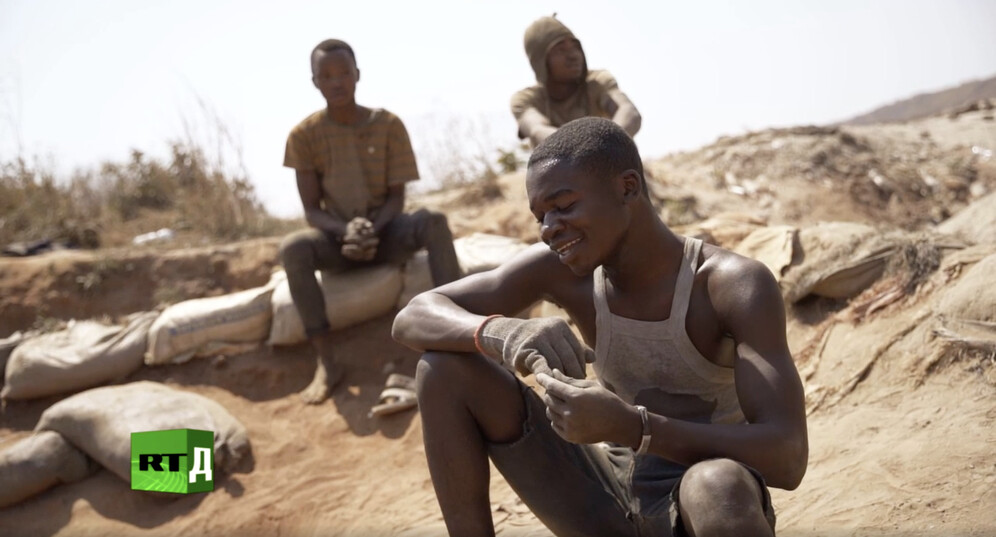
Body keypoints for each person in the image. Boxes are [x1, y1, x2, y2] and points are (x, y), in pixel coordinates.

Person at [392, 117, 808, 536]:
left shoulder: (729, 285)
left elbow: (788, 457)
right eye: (541, 215)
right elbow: (413, 316)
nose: (549, 228)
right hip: (608, 506)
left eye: (564, 205)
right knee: (441, 369)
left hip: (702, 514)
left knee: (716, 483)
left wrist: (633, 427)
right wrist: (504, 333)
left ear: (627, 187)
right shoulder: (563, 272)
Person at [281, 39, 461, 404]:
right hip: (338, 241)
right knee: (293, 248)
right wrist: (346, 231)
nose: (336, 82)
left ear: (357, 75)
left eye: (343, 73)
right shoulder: (304, 136)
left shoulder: (388, 124)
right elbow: (312, 210)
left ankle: (460, 328)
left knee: (434, 221)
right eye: (326, 75)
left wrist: (371, 229)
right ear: (314, 82)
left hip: (386, 232)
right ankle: (327, 361)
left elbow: (397, 197)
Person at [510, 15, 642, 148]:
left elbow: (628, 111)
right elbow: (536, 130)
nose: (573, 55)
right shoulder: (525, 100)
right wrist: (580, 149)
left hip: (610, 164)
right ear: (540, 61)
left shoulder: (597, 82)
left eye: (575, 47)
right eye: (561, 50)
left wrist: (607, 143)